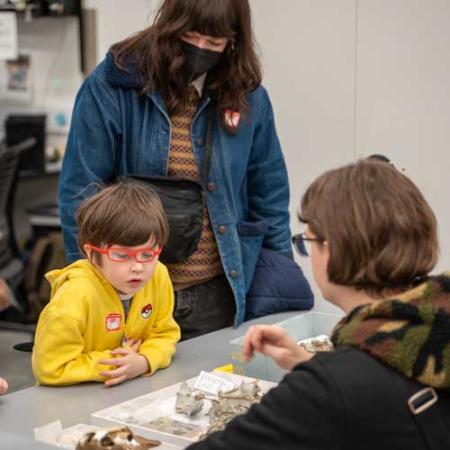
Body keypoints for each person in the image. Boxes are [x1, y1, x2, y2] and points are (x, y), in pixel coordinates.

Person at [59, 0, 311, 340]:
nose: (200, 49)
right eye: (191, 37)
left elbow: (269, 194)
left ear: (233, 41)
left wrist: (279, 282)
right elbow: (80, 193)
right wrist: (87, 287)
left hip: (217, 294)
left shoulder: (247, 96)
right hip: (131, 297)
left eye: (215, 43)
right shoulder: (114, 85)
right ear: (169, 25)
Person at [187, 159, 450, 450]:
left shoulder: (327, 387)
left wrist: (318, 378)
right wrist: (305, 362)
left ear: (334, 248)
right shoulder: (433, 325)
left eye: (307, 241)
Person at [32, 183, 180, 386]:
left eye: (148, 254)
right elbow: (50, 368)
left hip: (133, 393)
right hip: (75, 403)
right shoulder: (74, 298)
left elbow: (165, 333)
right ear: (92, 254)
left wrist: (144, 360)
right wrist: (117, 363)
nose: (138, 266)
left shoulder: (158, 275)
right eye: (121, 255)